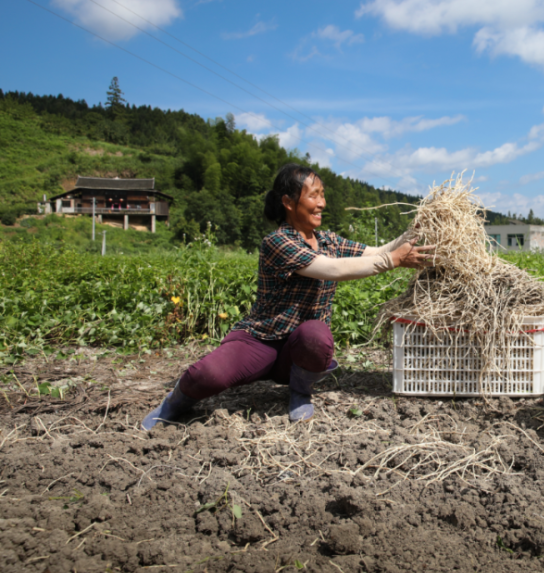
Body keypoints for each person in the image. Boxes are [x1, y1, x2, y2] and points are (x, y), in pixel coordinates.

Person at [142, 163, 434, 430]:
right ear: (288, 202)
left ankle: (299, 391)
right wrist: (394, 260)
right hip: (261, 340)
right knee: (207, 375)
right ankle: (175, 402)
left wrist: (417, 229)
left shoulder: (328, 239)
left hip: (300, 347)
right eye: (314, 195)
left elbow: (378, 251)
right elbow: (331, 268)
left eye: (322, 195)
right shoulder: (278, 241)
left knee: (316, 334)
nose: (322, 203)